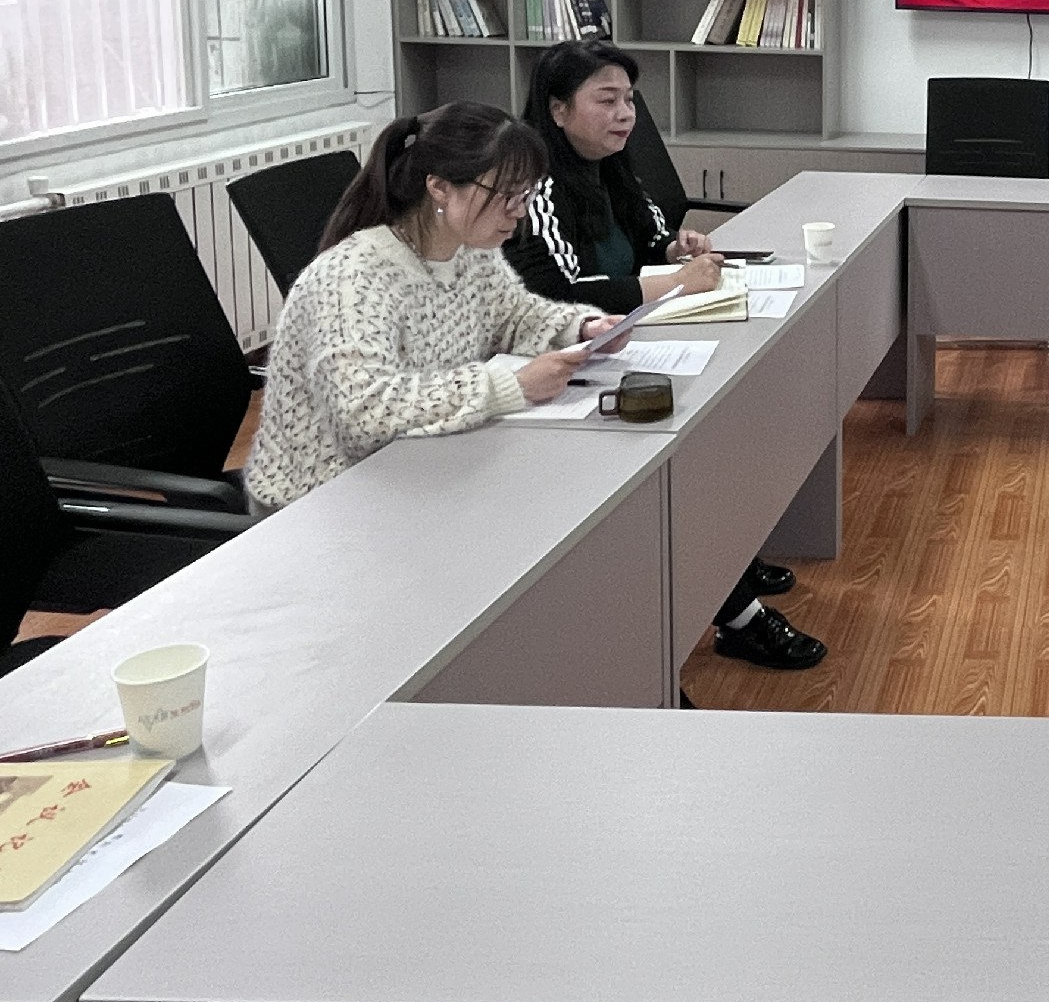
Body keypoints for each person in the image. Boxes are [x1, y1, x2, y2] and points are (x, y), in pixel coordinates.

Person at [508, 38, 826, 673]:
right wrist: (674, 283)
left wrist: (677, 251)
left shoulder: (611, 165)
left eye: (629, 99)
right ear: (558, 110)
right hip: (569, 368)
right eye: (606, 100)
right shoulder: (536, 185)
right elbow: (555, 294)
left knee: (726, 419)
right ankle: (739, 617)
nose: (625, 114)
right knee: (683, 452)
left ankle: (729, 558)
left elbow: (650, 239)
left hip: (625, 343)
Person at [244, 102, 608, 512]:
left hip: (413, 470)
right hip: (321, 500)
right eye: (506, 195)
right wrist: (512, 386)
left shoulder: (469, 251)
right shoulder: (353, 279)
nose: (520, 211)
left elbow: (513, 318)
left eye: (525, 194)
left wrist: (582, 328)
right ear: (439, 188)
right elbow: (363, 413)